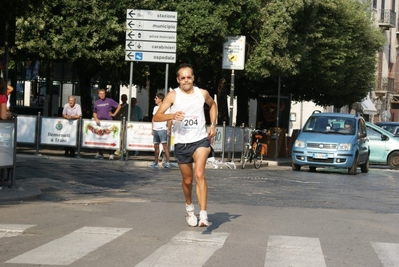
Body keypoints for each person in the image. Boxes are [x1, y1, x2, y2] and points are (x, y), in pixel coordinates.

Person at [153, 63, 217, 227]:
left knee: (200, 173)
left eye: (189, 77)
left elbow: (213, 105)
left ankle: (203, 215)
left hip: (200, 140)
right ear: (178, 79)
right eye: (183, 78)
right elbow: (157, 117)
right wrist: (172, 115)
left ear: (193, 78)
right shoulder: (172, 96)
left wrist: (212, 124)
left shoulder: (202, 93)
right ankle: (190, 209)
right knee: (187, 181)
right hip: (182, 143)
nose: (186, 80)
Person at [93, 88, 122, 160]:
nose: (102, 95)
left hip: (109, 122)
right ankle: (100, 154)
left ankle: (111, 154)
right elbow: (94, 112)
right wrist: (96, 119)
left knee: (109, 138)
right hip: (100, 123)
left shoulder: (109, 101)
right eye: (101, 94)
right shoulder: (96, 102)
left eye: (103, 93)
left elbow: (119, 106)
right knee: (100, 138)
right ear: (98, 95)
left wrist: (114, 114)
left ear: (105, 94)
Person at [149, 93, 172, 168]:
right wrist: (152, 128)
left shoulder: (166, 108)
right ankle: (156, 162)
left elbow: (169, 119)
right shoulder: (155, 108)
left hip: (162, 129)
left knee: (165, 146)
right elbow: (153, 118)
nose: (155, 99)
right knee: (156, 146)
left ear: (160, 99)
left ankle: (168, 161)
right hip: (156, 129)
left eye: (156, 98)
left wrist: (168, 129)